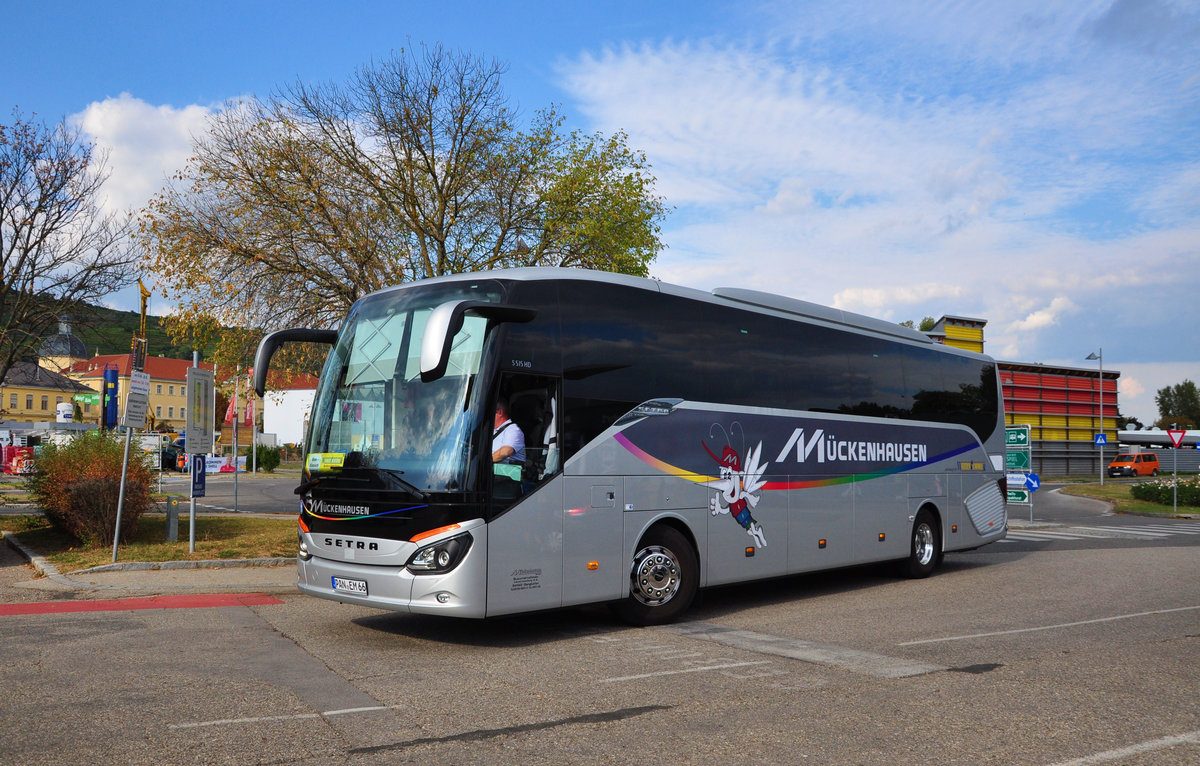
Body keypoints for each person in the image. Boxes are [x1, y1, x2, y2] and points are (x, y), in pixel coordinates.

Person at [491, 399, 525, 465]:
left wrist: (483, 462)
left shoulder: (513, 430)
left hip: (508, 474)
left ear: (500, 412)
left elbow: (505, 452)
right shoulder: (490, 431)